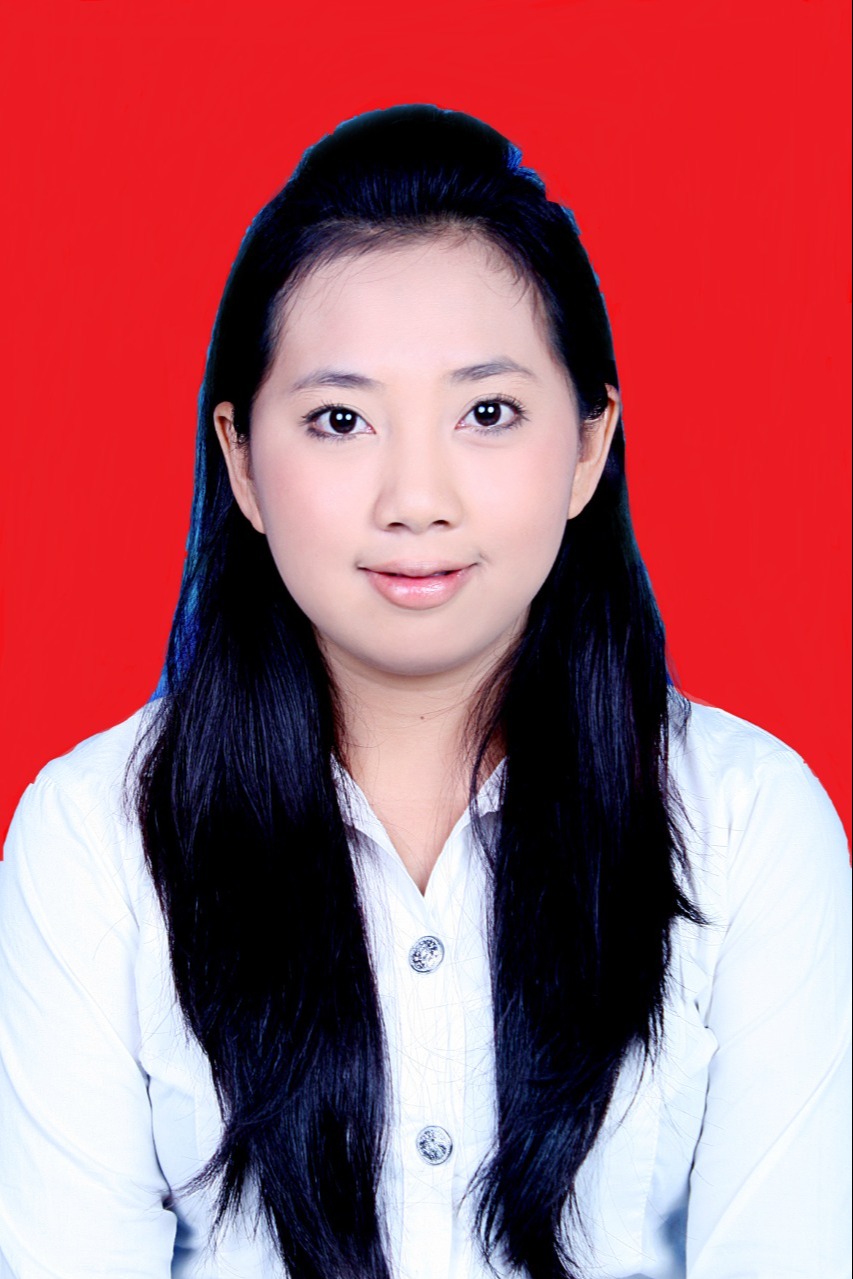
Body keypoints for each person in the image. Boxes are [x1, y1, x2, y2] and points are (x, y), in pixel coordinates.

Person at [0, 104, 849, 1279]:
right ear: (242, 459)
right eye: (340, 419)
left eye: (486, 414)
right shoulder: (95, 837)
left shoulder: (745, 824)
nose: (415, 499)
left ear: (588, 446)